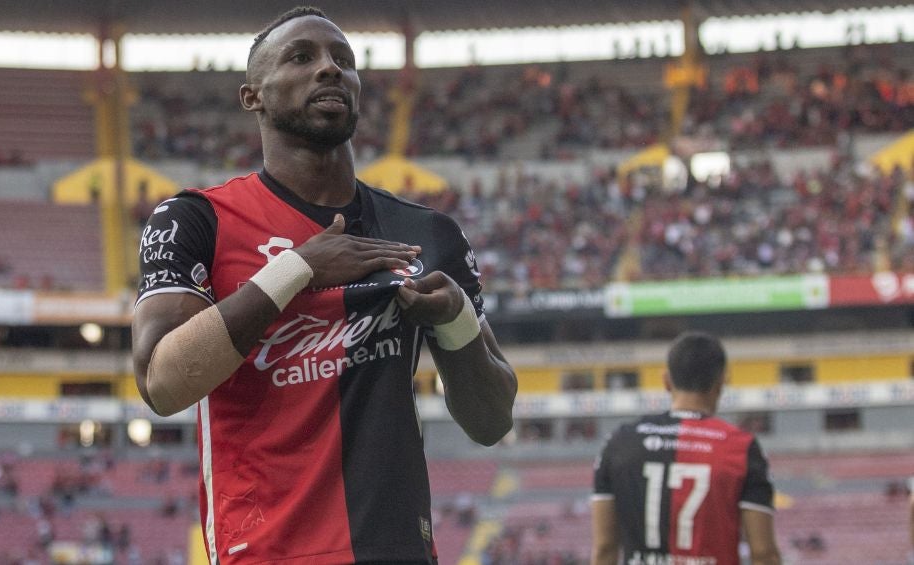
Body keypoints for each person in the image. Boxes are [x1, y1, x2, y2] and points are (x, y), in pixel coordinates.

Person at [131, 6, 517, 565]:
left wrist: (456, 319)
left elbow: (492, 421)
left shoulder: (426, 233)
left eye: (344, 60)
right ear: (252, 97)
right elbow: (162, 383)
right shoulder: (195, 220)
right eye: (301, 57)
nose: (330, 69)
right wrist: (296, 271)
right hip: (266, 552)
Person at [591, 332, 780, 565]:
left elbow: (605, 548)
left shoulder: (618, 443)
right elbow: (763, 553)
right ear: (721, 382)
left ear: (666, 381)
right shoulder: (742, 448)